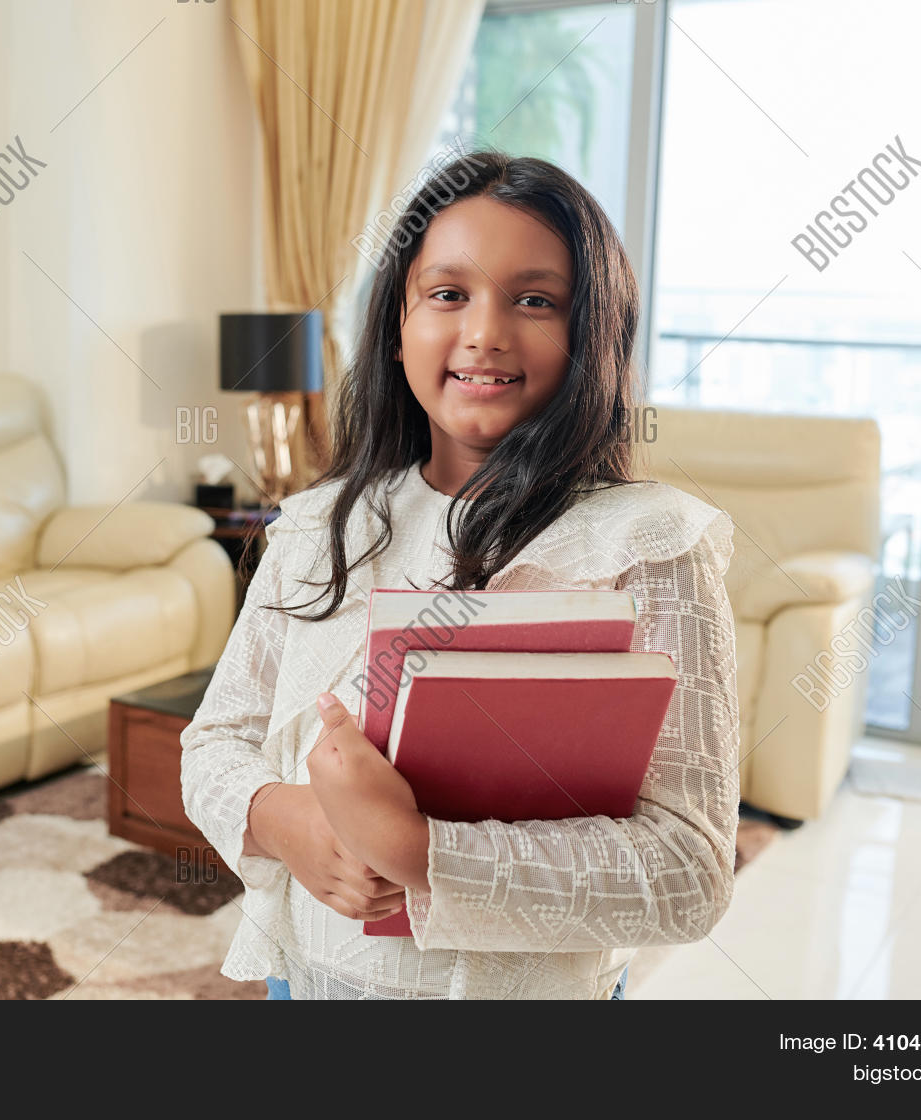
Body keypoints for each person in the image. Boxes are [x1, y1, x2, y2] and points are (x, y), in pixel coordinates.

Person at [180, 149, 740, 1000]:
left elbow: (688, 872)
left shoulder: (650, 543)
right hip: (309, 980)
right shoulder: (317, 524)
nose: (485, 331)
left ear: (593, 333)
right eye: (448, 294)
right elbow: (214, 741)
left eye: (535, 300)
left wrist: (414, 850)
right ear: (396, 327)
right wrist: (284, 819)